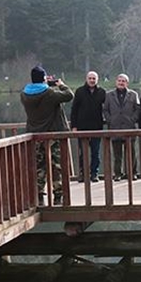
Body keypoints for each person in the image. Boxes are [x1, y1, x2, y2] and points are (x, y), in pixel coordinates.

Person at [21, 64, 72, 204]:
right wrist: (61, 84)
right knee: (57, 166)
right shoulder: (49, 93)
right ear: (43, 78)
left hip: (35, 135)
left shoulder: (24, 94)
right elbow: (69, 95)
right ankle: (58, 195)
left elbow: (40, 90)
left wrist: (45, 83)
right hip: (52, 135)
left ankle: (39, 195)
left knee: (39, 166)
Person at [102, 73, 140, 180]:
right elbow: (105, 110)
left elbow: (137, 109)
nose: (121, 83)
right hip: (115, 127)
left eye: (123, 81)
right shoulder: (109, 95)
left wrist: (133, 119)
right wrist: (109, 120)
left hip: (129, 127)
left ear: (127, 83)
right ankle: (118, 174)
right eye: (119, 81)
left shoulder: (133, 94)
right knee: (117, 154)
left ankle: (132, 173)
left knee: (131, 153)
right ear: (116, 82)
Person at [70, 70, 106, 181]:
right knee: (82, 153)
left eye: (94, 78)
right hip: (82, 127)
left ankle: (94, 173)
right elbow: (74, 110)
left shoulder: (102, 92)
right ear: (86, 79)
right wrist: (74, 126)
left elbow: (106, 109)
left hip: (97, 127)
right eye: (90, 78)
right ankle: (83, 174)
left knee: (95, 153)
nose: (91, 80)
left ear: (97, 80)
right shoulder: (80, 91)